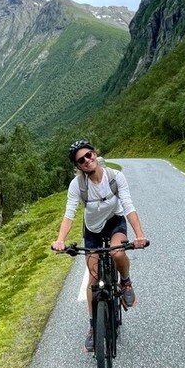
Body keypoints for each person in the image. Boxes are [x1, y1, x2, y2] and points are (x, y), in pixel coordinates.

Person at [52, 139, 148, 352]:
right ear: (77, 166)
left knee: (118, 253)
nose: (87, 160)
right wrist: (60, 240)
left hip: (115, 222)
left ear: (95, 154)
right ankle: (94, 327)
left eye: (89, 155)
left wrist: (140, 235)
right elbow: (70, 213)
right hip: (93, 229)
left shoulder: (115, 177)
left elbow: (129, 206)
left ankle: (125, 283)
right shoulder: (77, 185)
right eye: (81, 160)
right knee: (93, 278)